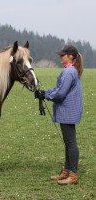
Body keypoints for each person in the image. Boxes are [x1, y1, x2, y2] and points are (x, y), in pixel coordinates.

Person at [35, 44, 83, 185]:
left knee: (70, 143)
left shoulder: (69, 72)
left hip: (68, 112)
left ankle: (73, 174)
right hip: (68, 111)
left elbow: (61, 94)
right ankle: (67, 171)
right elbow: (59, 89)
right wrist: (45, 93)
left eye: (63, 55)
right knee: (68, 143)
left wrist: (46, 95)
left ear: (71, 56)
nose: (60, 57)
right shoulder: (70, 71)